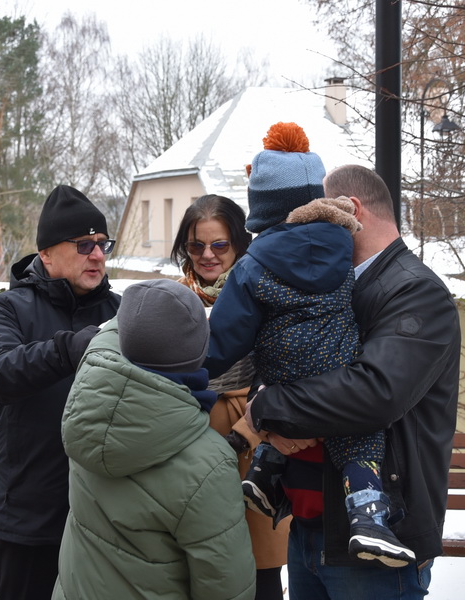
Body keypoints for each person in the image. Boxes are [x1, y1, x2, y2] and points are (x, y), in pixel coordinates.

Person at [244, 164, 462, 599]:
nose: (306, 228)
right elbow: (278, 362)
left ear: (351, 210)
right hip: (309, 529)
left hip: (377, 547)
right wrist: (268, 413)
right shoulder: (334, 285)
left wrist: (268, 410)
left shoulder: (416, 292)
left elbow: (374, 393)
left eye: (316, 213)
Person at [205, 122, 416, 568]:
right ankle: (369, 519)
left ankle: (264, 472)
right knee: (358, 438)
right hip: (337, 365)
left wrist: (194, 371)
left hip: (281, 369)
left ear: (261, 209)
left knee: (272, 390)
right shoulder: (348, 249)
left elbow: (226, 339)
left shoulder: (253, 264)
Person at [53, 278, 256, 600]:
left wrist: (145, 307)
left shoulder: (86, 406)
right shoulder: (208, 464)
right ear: (200, 350)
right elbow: (225, 584)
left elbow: (111, 336)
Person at [0, 185, 120, 600]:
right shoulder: (8, 309)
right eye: (84, 245)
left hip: (107, 521)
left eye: (103, 243)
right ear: (47, 255)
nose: (97, 255)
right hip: (30, 522)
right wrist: (64, 350)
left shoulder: (121, 312)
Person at [170, 194, 289, 600]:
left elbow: (283, 373)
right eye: (196, 245)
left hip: (253, 443)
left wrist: (247, 432)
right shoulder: (169, 298)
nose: (207, 255)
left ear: (239, 243)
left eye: (219, 244)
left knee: (260, 573)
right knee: (192, 570)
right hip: (186, 445)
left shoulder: (264, 291)